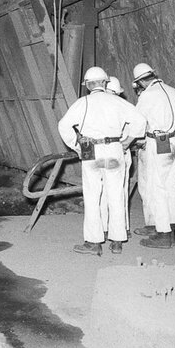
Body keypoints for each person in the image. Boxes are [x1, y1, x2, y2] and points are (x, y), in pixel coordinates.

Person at [58, 67, 146, 256]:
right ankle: (116, 241)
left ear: (88, 85)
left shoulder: (83, 103)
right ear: (105, 83)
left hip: (92, 151)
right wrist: (129, 141)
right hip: (114, 150)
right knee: (116, 194)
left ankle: (94, 242)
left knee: (93, 195)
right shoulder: (117, 102)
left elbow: (64, 125)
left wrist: (77, 146)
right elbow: (140, 121)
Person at [132, 63, 175, 249]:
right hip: (174, 139)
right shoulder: (172, 90)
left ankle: (164, 235)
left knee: (157, 188)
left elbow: (138, 121)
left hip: (157, 142)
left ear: (140, 82)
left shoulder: (148, 95)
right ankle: (161, 225)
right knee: (170, 185)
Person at [101, 77, 135, 241]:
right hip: (121, 152)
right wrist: (128, 142)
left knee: (102, 192)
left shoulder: (98, 106)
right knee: (120, 192)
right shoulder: (124, 106)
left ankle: (104, 228)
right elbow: (137, 125)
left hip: (103, 153)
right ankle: (122, 230)